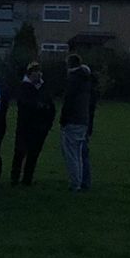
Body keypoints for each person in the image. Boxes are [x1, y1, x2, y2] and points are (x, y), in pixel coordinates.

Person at [57, 52, 98, 192]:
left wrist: (63, 119)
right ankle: (81, 181)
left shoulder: (73, 80)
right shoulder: (86, 80)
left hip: (73, 120)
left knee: (71, 153)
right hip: (84, 120)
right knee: (80, 153)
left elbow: (68, 101)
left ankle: (75, 183)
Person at [9, 61, 55, 186]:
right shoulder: (24, 87)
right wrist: (39, 107)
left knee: (33, 154)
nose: (38, 75)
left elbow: (51, 107)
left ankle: (27, 179)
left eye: (40, 72)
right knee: (20, 152)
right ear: (30, 74)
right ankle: (15, 178)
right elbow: (25, 105)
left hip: (40, 127)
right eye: (36, 72)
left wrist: (48, 122)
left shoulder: (43, 88)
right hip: (25, 126)